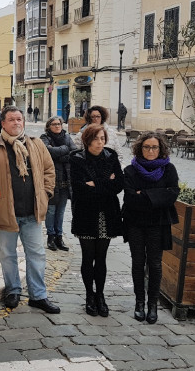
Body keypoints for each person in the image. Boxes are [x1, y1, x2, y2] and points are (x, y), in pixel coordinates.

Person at [0, 106, 60, 314]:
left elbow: (49, 169)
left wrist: (45, 194)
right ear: (3, 123)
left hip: (32, 212)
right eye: (11, 119)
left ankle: (38, 295)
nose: (16, 123)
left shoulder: (36, 145)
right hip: (5, 213)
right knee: (7, 254)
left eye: (19, 119)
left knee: (36, 254)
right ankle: (13, 290)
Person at [122, 132, 180, 324]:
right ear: (140, 148)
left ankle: (152, 305)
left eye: (154, 147)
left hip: (158, 223)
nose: (150, 151)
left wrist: (144, 195)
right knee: (138, 263)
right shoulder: (131, 170)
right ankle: (139, 303)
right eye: (147, 147)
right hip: (135, 223)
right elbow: (130, 198)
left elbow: (172, 194)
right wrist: (156, 196)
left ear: (161, 149)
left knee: (155, 264)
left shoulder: (169, 169)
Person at [70, 124, 124, 317]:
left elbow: (118, 184)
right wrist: (105, 182)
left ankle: (100, 295)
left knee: (101, 257)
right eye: (96, 139)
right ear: (87, 140)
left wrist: (95, 184)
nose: (100, 142)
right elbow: (78, 189)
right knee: (88, 257)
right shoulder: (77, 159)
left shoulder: (111, 156)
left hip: (107, 213)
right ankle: (89, 296)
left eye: (102, 138)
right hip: (86, 213)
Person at [40, 116, 77, 252]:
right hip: (51, 181)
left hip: (65, 182)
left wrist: (60, 154)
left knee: (60, 212)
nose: (57, 126)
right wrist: (64, 150)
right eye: (54, 124)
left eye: (59, 124)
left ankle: (59, 237)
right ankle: (51, 236)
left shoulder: (67, 137)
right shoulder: (44, 138)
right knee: (51, 211)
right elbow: (47, 153)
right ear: (48, 126)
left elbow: (74, 153)